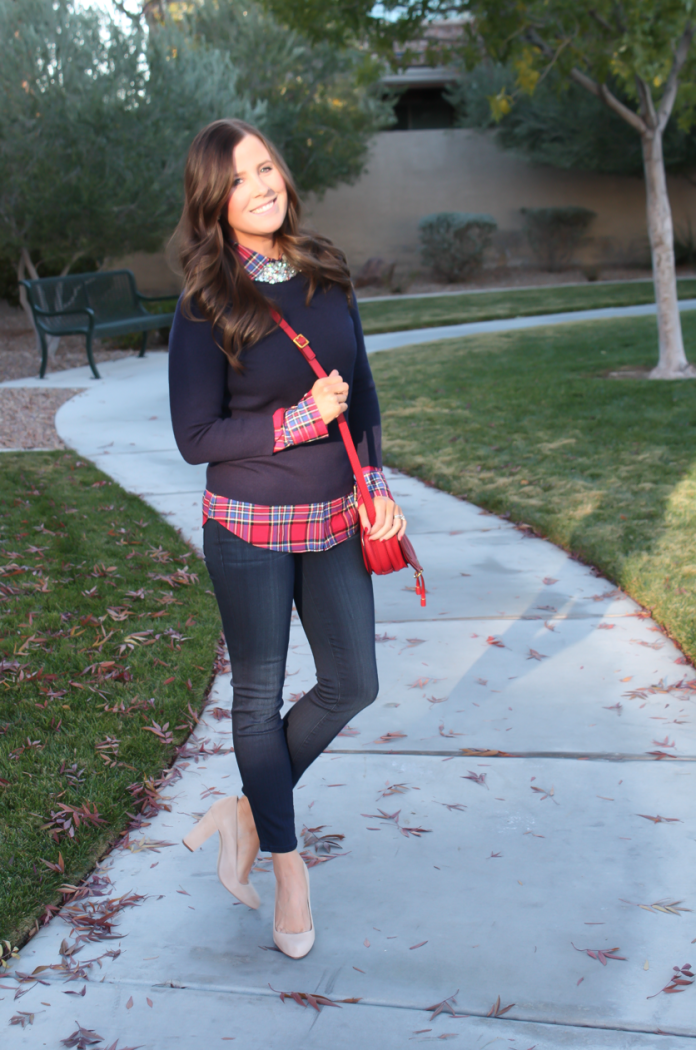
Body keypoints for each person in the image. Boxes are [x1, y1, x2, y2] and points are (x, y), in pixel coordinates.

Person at [168, 118, 408, 959]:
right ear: (215, 200)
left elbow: (366, 394)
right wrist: (298, 419)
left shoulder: (326, 272)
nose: (262, 186)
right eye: (240, 178)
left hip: (336, 515)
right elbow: (196, 436)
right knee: (258, 696)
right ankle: (286, 860)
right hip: (248, 526)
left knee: (354, 681)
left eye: (266, 166)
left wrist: (376, 485)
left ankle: (240, 811)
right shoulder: (205, 302)